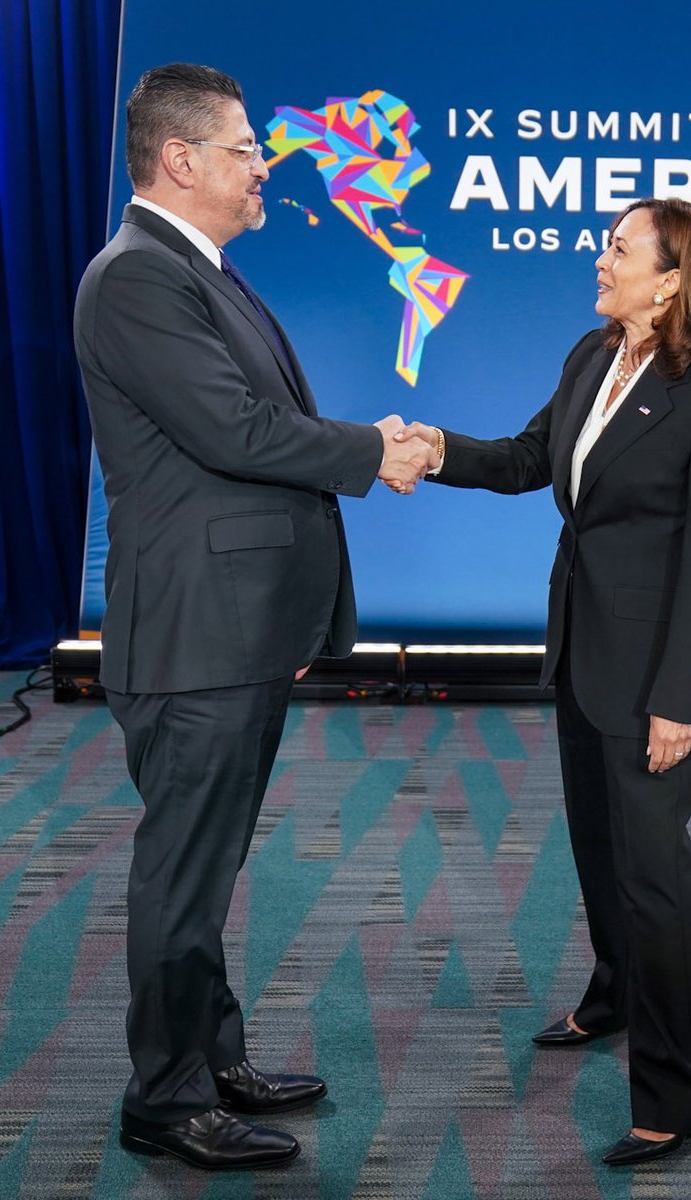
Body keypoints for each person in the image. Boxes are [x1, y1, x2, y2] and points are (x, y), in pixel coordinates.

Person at [73, 63, 435, 1172]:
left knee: (209, 867)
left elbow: (255, 422)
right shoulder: (137, 277)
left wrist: (360, 443)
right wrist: (375, 449)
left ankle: (209, 1055)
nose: (263, 166)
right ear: (179, 161)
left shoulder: (199, 270)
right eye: (244, 150)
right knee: (183, 874)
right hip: (195, 634)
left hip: (235, 628)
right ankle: (167, 1098)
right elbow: (236, 433)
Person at [395, 197, 691, 1166]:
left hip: (656, 675)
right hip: (583, 649)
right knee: (599, 848)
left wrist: (680, 698)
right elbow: (526, 459)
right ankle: (613, 996)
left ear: (673, 279)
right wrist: (435, 450)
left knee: (653, 876)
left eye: (618, 247)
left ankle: (677, 1094)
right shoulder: (592, 357)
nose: (599, 258)